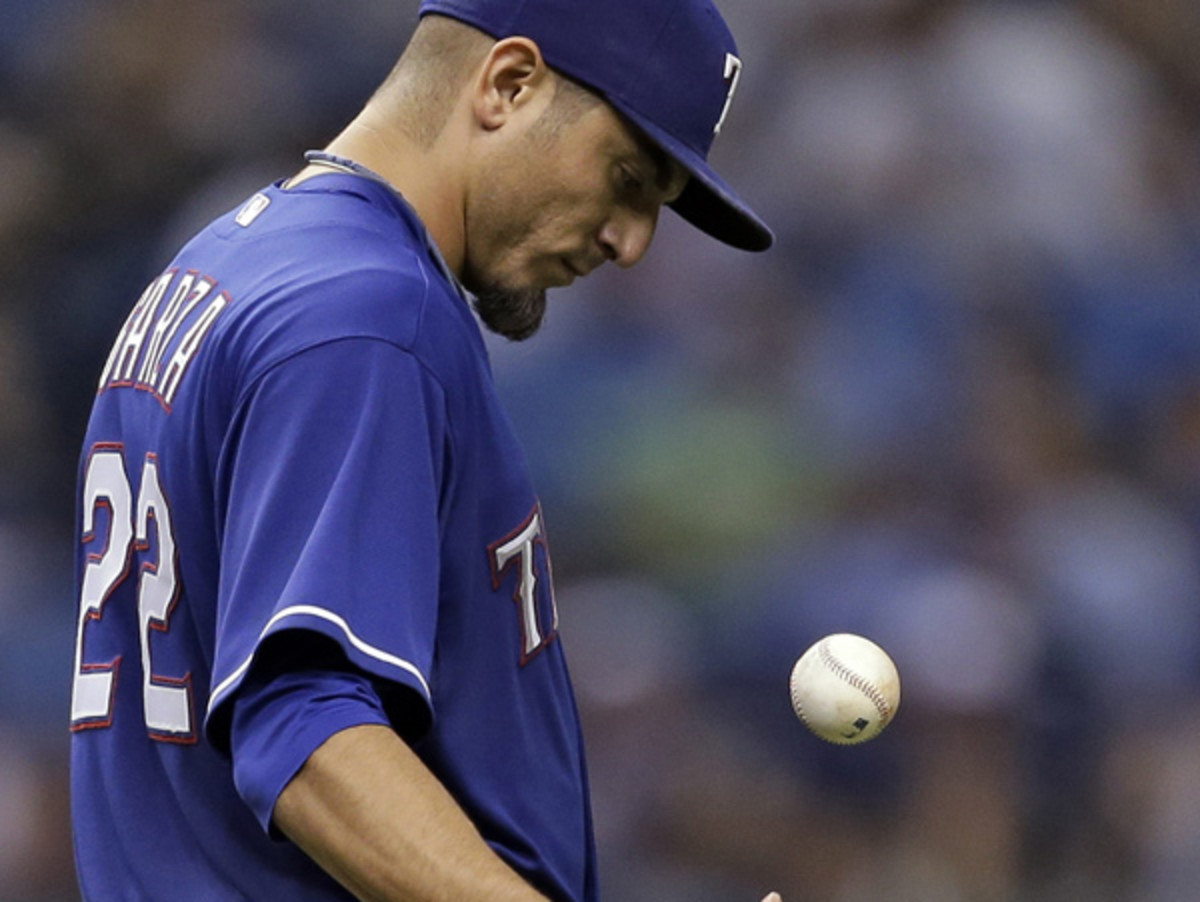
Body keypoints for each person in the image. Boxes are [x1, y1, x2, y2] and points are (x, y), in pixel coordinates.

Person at [68, 0, 775, 898]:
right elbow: (308, 736)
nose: (630, 243)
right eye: (628, 178)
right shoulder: (370, 317)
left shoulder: (236, 261)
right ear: (509, 84)